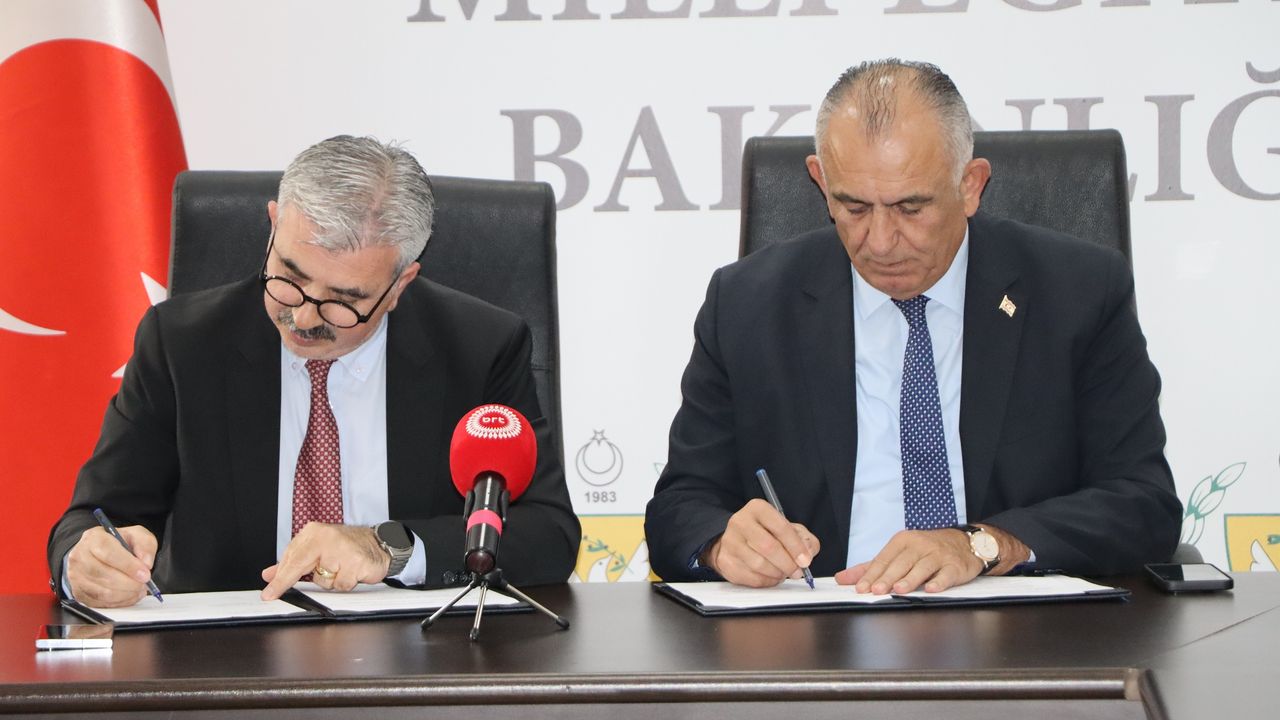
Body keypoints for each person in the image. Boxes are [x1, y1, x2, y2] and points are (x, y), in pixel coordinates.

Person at [645, 59, 1181, 594]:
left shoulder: (1079, 293)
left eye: (910, 208)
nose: (880, 242)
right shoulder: (747, 305)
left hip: (1013, 627)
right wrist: (722, 543)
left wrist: (984, 544)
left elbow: (1143, 503)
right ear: (821, 182)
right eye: (854, 207)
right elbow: (679, 507)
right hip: (820, 625)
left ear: (970, 185)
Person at [48, 135, 580, 608]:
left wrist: (387, 547)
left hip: (415, 658)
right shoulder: (182, 344)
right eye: (290, 276)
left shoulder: (478, 348)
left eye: (343, 301)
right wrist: (85, 562)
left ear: (400, 284)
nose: (303, 318)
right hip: (224, 659)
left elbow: (548, 533)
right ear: (273, 226)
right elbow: (92, 519)